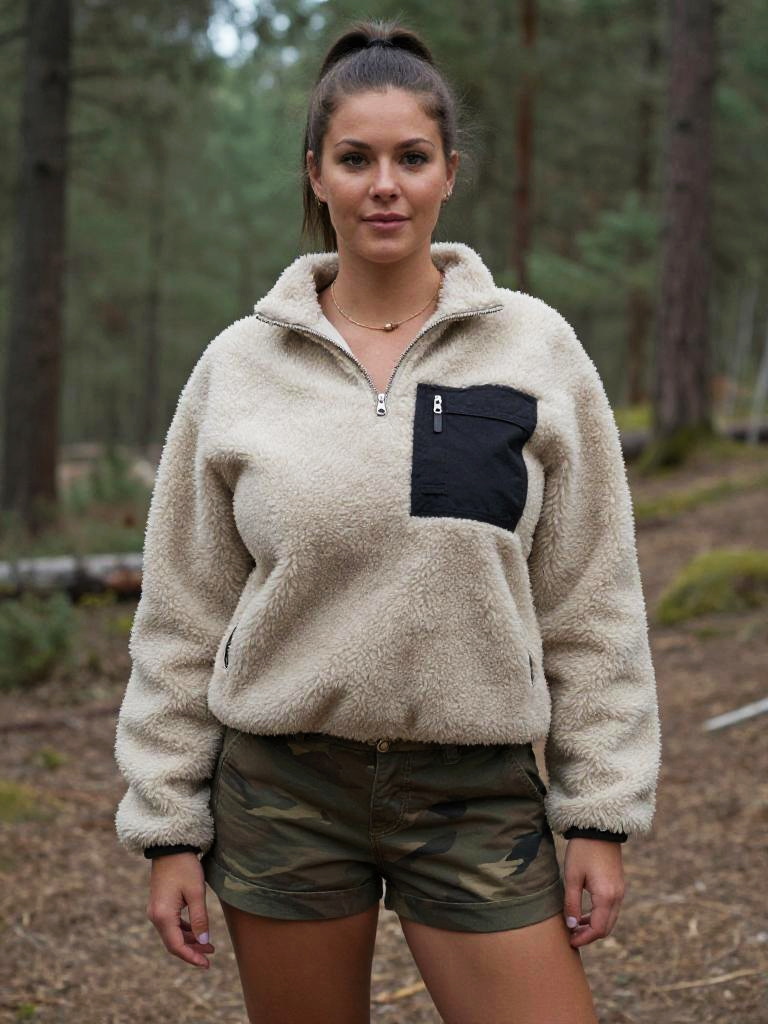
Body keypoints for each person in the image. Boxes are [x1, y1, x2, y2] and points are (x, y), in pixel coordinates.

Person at [113, 16, 662, 1024]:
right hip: (284, 792)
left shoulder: (534, 350)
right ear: (315, 174)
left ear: (450, 172)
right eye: (355, 158)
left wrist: (600, 812)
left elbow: (591, 598)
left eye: (411, 157)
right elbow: (184, 611)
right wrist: (168, 826)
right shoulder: (239, 366)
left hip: (475, 791)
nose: (384, 185)